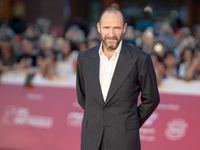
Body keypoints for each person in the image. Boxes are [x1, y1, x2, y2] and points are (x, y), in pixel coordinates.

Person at [76, 7, 160, 150]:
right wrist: (101, 117)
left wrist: (130, 122)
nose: (111, 33)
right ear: (99, 28)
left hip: (124, 139)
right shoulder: (84, 58)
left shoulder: (140, 59)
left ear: (124, 28)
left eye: (116, 28)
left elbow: (152, 99)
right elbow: (82, 96)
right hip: (91, 138)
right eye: (106, 27)